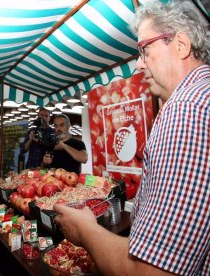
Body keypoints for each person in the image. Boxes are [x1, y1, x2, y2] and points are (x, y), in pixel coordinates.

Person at [54, 2, 210, 275]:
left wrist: (85, 230)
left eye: (144, 49)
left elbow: (152, 272)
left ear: (181, 45)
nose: (138, 64)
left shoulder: (185, 111)